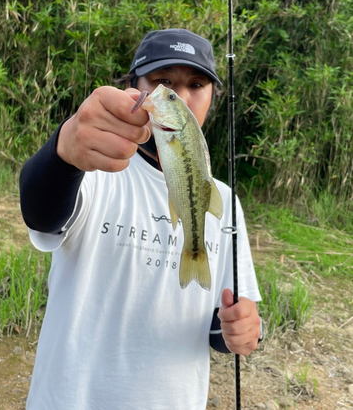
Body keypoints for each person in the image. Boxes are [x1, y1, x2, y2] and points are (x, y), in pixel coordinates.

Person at [20, 28, 262, 410]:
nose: (181, 97)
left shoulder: (225, 201)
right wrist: (62, 152)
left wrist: (241, 330)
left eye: (196, 84)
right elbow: (41, 215)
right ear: (135, 87)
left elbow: (218, 325)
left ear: (212, 97)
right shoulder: (93, 168)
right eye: (164, 82)